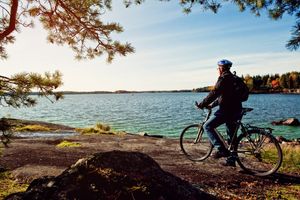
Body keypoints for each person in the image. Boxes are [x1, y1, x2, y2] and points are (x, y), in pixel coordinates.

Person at [195, 59, 242, 166]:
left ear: (221, 68)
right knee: (231, 135)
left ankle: (221, 149)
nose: (218, 70)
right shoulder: (234, 78)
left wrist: (202, 104)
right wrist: (212, 105)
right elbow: (223, 96)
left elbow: (215, 92)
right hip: (237, 109)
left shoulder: (224, 78)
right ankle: (231, 160)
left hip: (227, 110)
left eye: (218, 68)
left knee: (207, 126)